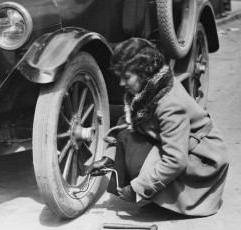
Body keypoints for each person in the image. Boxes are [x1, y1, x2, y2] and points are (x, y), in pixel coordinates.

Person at [86, 38, 229, 217]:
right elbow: (128, 126)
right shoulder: (149, 88)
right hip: (184, 146)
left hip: (203, 161)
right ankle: (161, 194)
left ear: (145, 72)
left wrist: (138, 189)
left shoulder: (170, 105)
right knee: (126, 136)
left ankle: (173, 199)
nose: (122, 83)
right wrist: (109, 158)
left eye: (127, 77)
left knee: (138, 159)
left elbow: (176, 160)